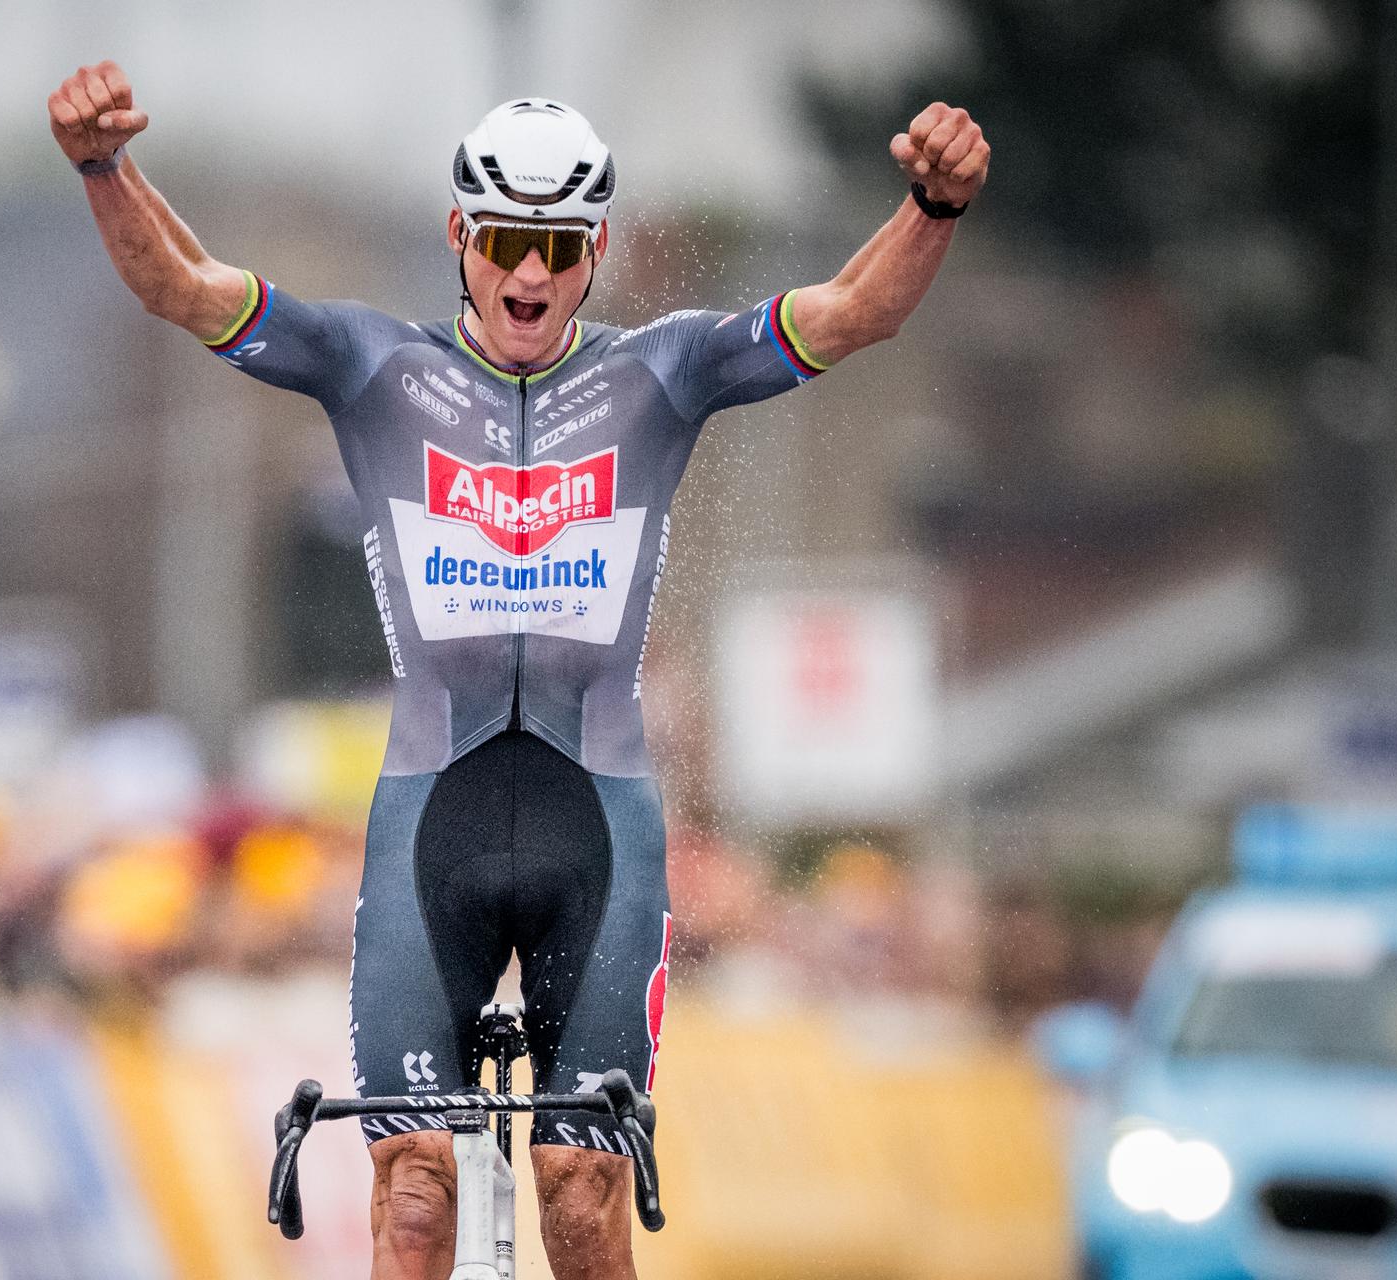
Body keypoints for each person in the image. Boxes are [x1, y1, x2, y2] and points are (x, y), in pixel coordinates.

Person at [50, 62, 988, 1280]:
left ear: (595, 249)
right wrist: (100, 167)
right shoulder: (367, 362)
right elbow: (179, 285)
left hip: (597, 816)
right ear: (459, 235)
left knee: (582, 1199)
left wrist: (932, 211)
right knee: (413, 1199)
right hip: (424, 821)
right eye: (504, 241)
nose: (530, 276)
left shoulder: (667, 369)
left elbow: (854, 311)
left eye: (557, 246)